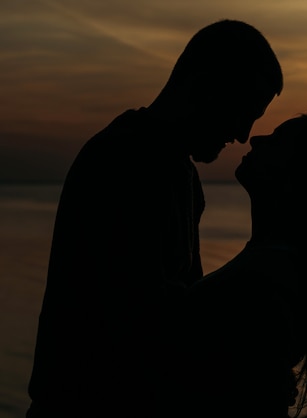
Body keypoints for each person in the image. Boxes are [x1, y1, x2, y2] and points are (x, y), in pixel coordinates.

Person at [26, 20, 282, 418]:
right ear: (204, 85)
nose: (244, 134)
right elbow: (144, 324)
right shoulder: (124, 160)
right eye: (243, 111)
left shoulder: (178, 172)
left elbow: (178, 311)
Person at [173, 111, 307, 417]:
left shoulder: (265, 287)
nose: (255, 138)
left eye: (277, 140)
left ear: (302, 173)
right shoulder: (277, 266)